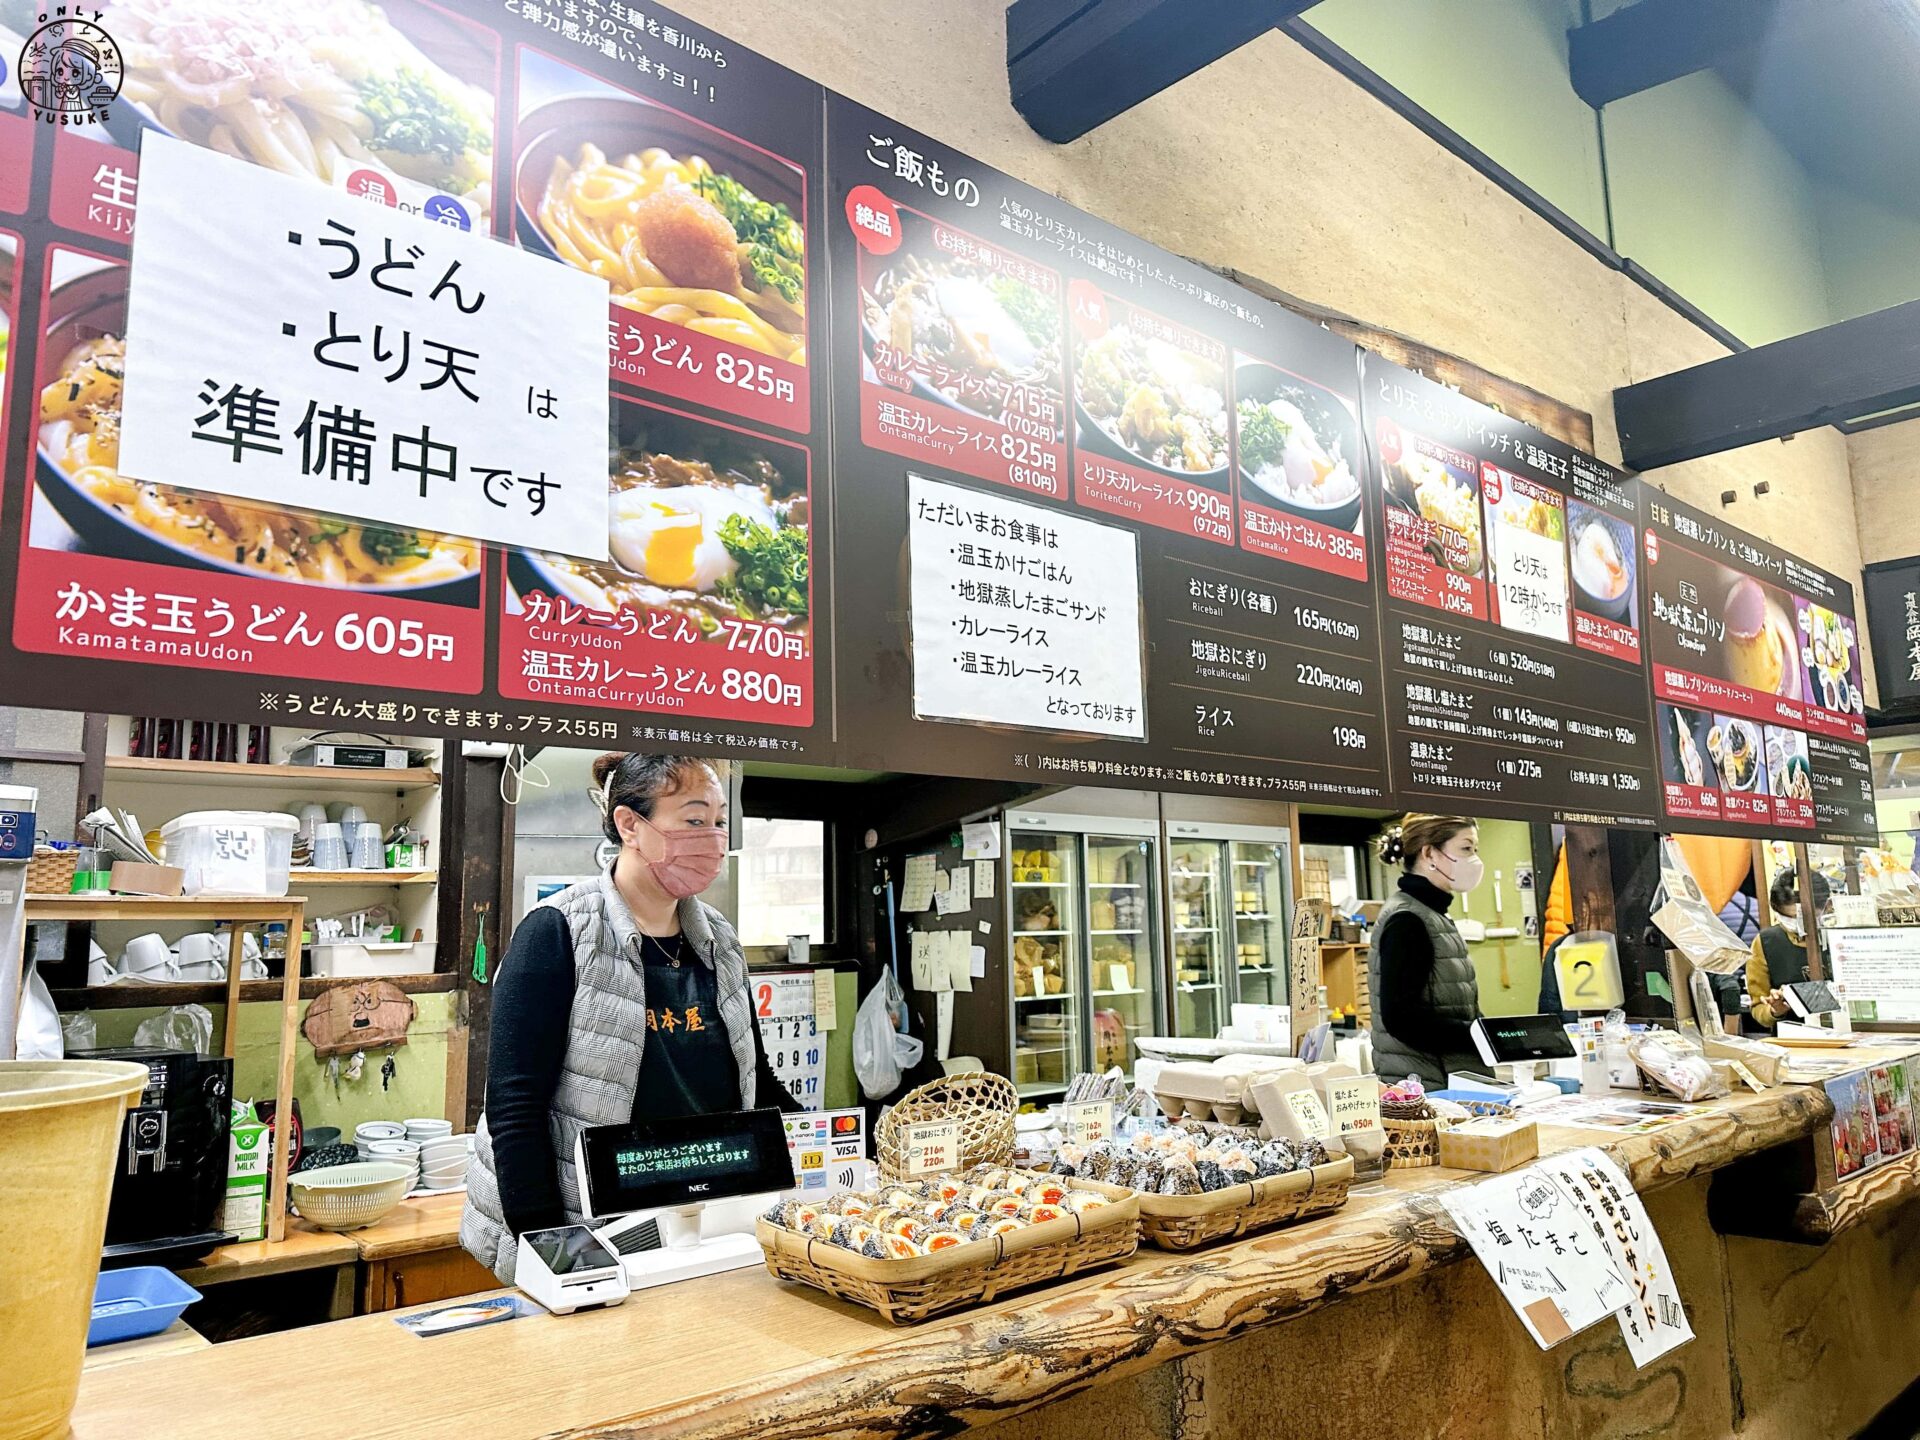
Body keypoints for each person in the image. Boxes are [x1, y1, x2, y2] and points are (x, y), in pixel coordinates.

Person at [462, 753, 799, 1283]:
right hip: (588, 1223)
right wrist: (557, 1252)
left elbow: (759, 1081)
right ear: (629, 825)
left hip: (698, 1211)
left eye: (717, 822)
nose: (711, 839)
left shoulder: (719, 941)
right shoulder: (557, 933)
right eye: (693, 820)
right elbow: (514, 1110)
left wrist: (850, 1147)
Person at [1368, 815, 1487, 1088]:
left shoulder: (1433, 915)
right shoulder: (1408, 919)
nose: (1475, 859)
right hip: (1427, 1088)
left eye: (1475, 850)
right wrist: (1485, 1037)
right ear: (1430, 853)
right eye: (1466, 849)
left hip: (1449, 1079)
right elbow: (1402, 1018)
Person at [1745, 868, 1831, 1030]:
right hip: (1795, 1039)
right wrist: (1775, 1010)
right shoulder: (1766, 942)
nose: (1797, 925)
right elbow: (1758, 1007)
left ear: (1828, 906)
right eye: (1788, 918)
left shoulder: (1842, 937)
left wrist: (1799, 994)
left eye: (1803, 918)